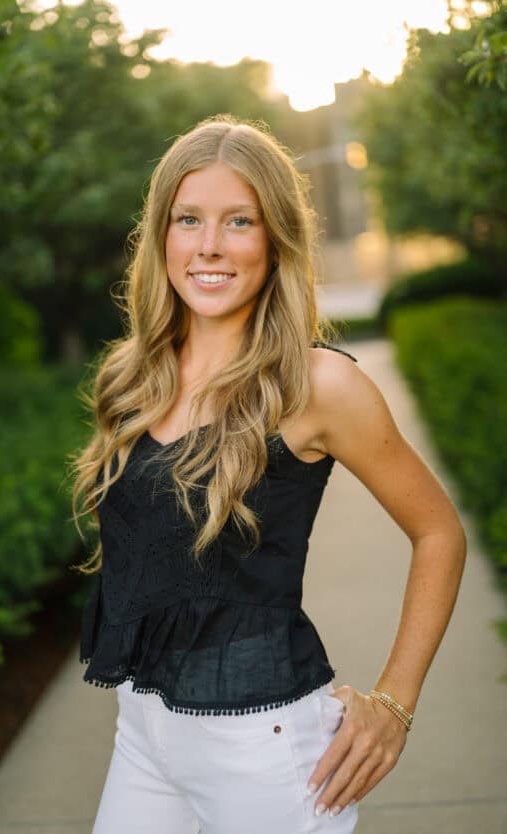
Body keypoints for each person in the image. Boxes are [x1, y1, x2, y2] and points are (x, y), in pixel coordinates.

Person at [70, 114, 466, 834]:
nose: (210, 246)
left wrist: (395, 703)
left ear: (275, 240)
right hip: (145, 734)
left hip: (264, 750)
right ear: (161, 234)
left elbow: (438, 531)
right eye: (189, 219)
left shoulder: (317, 385)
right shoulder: (133, 375)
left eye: (239, 222)